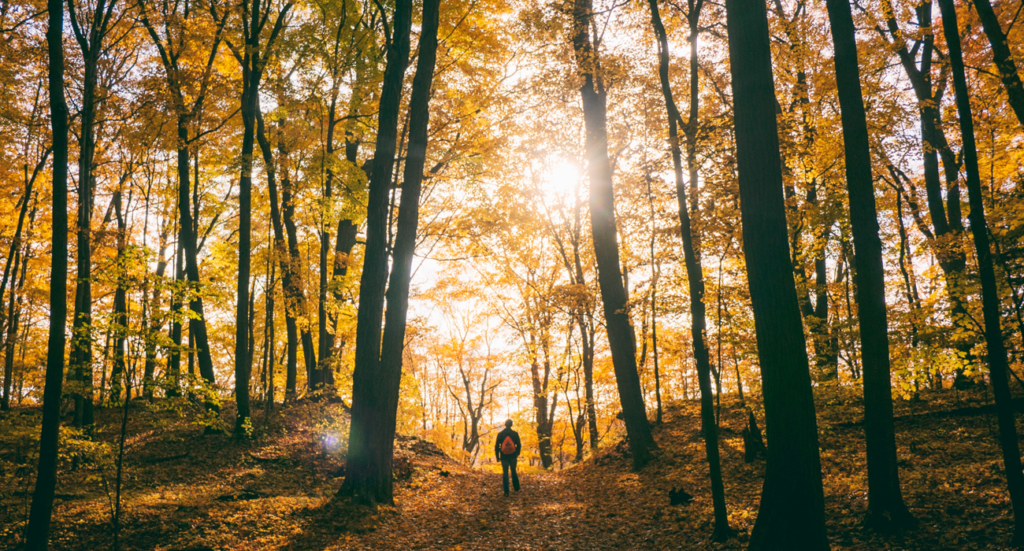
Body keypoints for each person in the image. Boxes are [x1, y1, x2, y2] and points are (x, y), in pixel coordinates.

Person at [494, 419, 521, 496]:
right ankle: (516, 488)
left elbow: (496, 446)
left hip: (503, 456)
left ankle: (506, 491)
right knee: (513, 470)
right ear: (511, 425)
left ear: (505, 425)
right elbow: (519, 445)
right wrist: (517, 453)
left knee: (505, 472)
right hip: (513, 456)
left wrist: (497, 457)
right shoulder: (515, 434)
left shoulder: (501, 434)